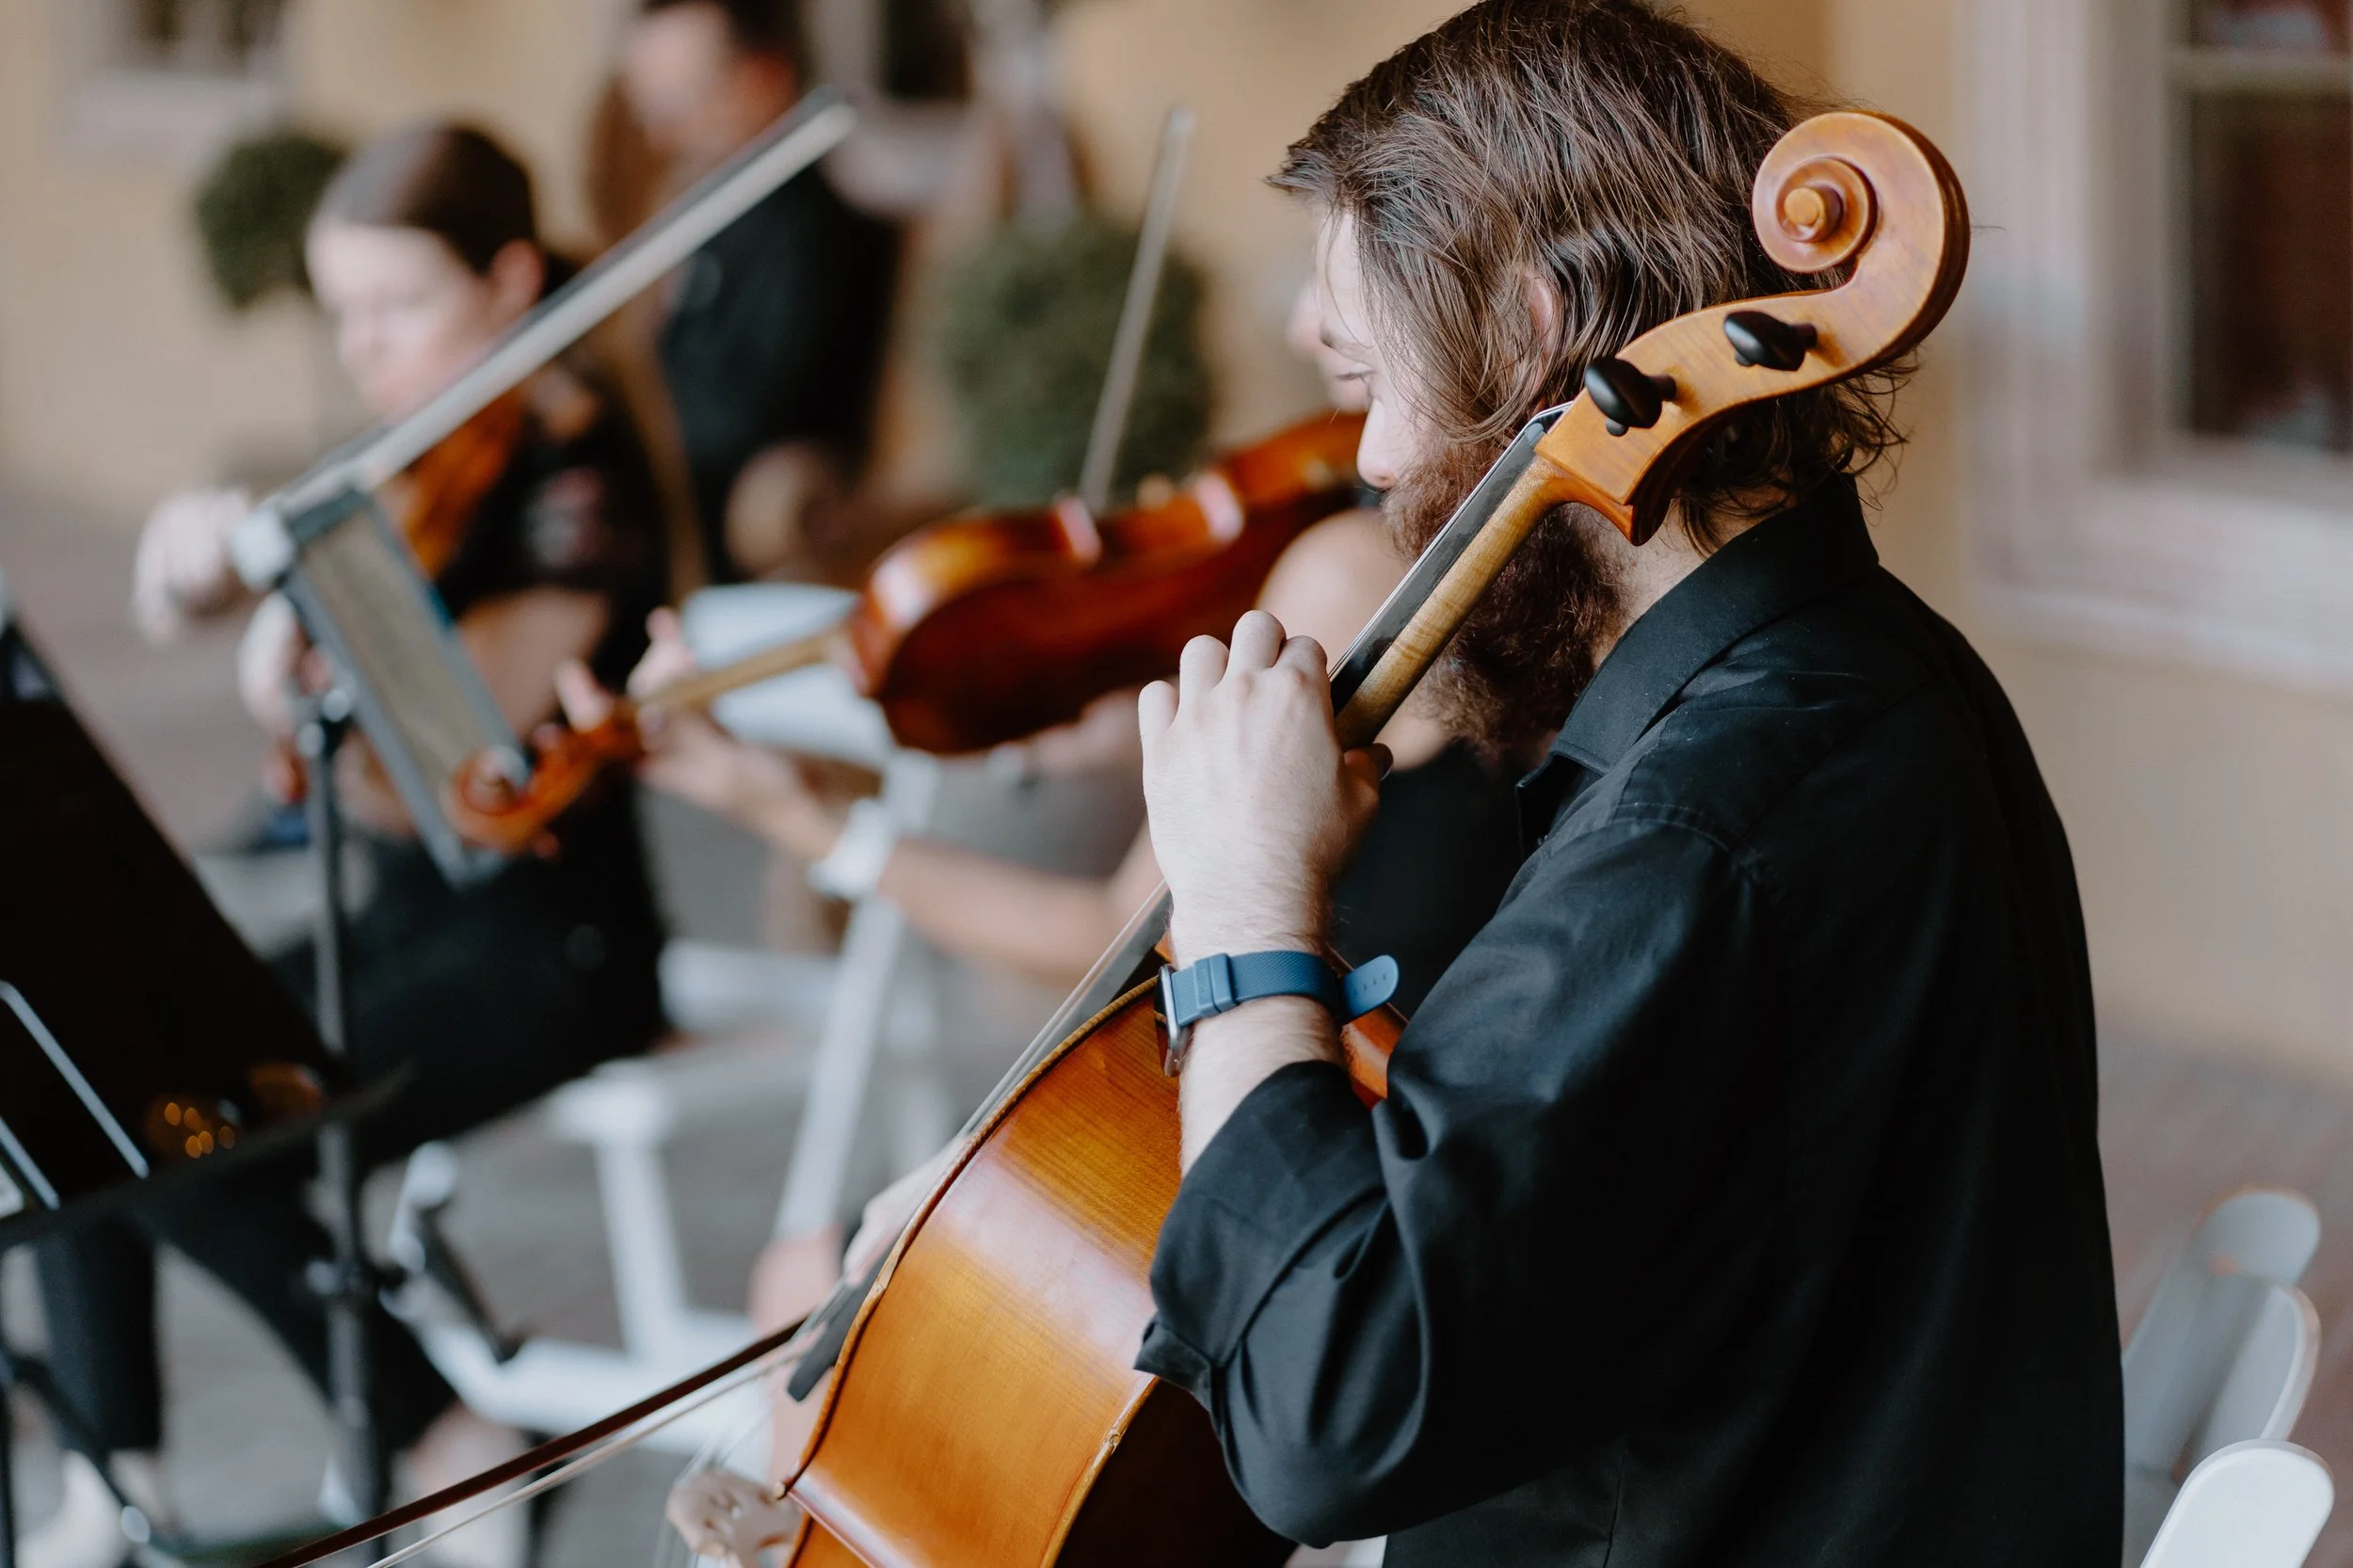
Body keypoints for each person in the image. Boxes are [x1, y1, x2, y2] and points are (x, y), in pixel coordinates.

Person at [1126, 4, 2123, 1563]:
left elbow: (1320, 1424)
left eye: (1364, 377)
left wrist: (1244, 901)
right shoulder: (1874, 672)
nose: (1376, 459)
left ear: (1532, 331)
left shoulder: (1707, 821)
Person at [33, 124, 670, 1568]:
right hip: (404, 923)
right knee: (89, 1058)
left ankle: (454, 1440)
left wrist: (300, 638)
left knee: (200, 1132)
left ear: (512, 279)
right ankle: (111, 1484)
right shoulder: (425, 449)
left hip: (549, 948)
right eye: (346, 316)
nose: (367, 350)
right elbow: (249, 611)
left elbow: (458, 767)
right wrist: (201, 564)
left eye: (400, 308)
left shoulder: (581, 469)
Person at [621, 0, 901, 583]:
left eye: (684, 102)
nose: (662, 134)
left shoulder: (814, 228)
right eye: (650, 108)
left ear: (768, 76)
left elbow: (751, 412)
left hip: (741, 518)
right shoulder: (710, 214)